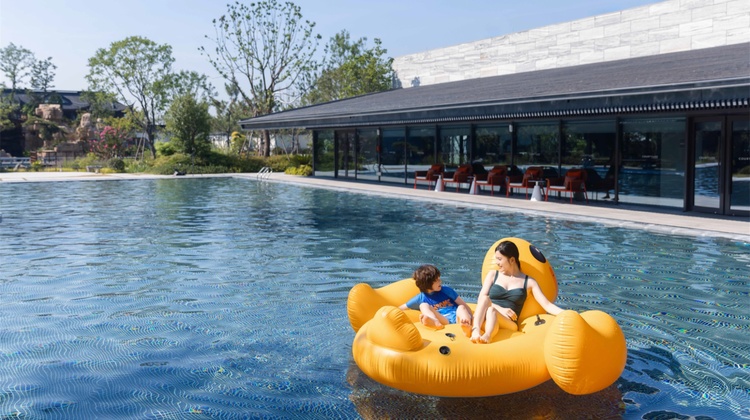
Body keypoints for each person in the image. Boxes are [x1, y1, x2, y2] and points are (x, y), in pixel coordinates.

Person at [470, 241, 563, 343]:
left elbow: (547, 305)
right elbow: (481, 299)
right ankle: (476, 331)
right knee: (486, 301)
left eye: (500, 259)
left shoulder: (529, 282)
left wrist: (565, 313)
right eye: (496, 259)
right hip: (489, 314)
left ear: (512, 260)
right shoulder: (493, 275)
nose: (497, 263)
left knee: (492, 311)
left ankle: (487, 336)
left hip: (509, 322)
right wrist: (501, 309)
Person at [399, 264, 473, 333]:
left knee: (461, 307)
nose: (440, 281)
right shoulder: (420, 298)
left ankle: (466, 326)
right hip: (443, 320)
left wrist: (472, 318)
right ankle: (434, 321)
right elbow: (401, 308)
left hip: (457, 318)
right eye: (437, 280)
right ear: (428, 284)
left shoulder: (446, 290)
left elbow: (465, 306)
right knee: (423, 305)